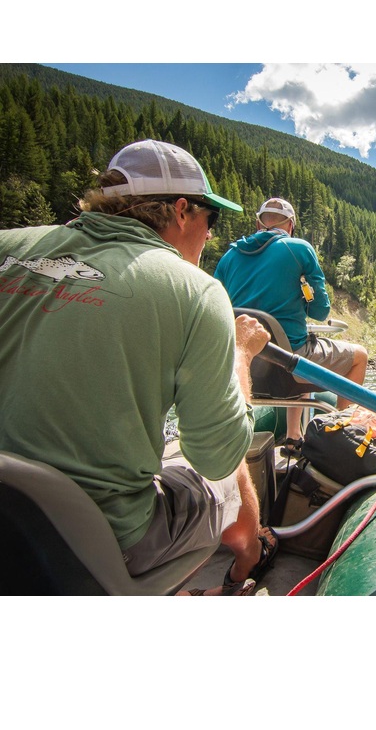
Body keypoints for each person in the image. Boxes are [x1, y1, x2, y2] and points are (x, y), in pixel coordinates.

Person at [0, 139, 278, 596]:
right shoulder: (197, 291)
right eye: (211, 219)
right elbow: (218, 455)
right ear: (182, 211)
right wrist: (240, 353)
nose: (211, 236)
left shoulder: (8, 245)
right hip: (100, 544)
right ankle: (249, 559)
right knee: (226, 481)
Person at [214, 197, 368, 451]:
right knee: (358, 356)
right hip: (290, 368)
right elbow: (321, 311)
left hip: (243, 366)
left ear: (258, 224)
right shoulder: (299, 249)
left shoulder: (228, 257)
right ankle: (339, 442)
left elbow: (217, 308)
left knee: (299, 352)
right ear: (291, 226)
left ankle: (294, 436)